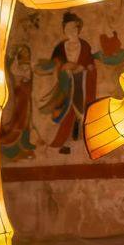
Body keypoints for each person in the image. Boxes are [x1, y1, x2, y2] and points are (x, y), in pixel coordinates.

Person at [44, 13, 98, 152]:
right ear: (64, 29)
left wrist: (82, 68)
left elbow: (90, 65)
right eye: (67, 28)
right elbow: (54, 66)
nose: (70, 31)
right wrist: (63, 68)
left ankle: (81, 139)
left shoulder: (84, 46)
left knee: (82, 112)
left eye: (73, 28)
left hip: (82, 83)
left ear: (78, 29)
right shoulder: (60, 48)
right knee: (66, 112)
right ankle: (65, 142)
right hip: (66, 85)